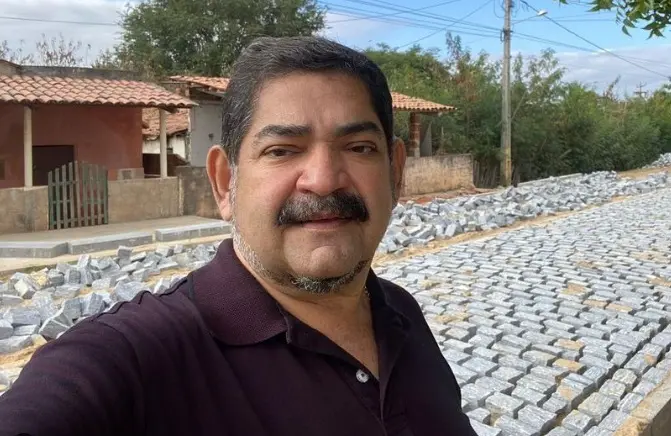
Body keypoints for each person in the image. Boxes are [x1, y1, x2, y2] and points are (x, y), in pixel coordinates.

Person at [0, 36, 475, 436]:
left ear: (395, 171)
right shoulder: (135, 359)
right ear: (225, 182)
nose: (324, 179)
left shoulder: (401, 314)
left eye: (359, 147)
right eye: (282, 150)